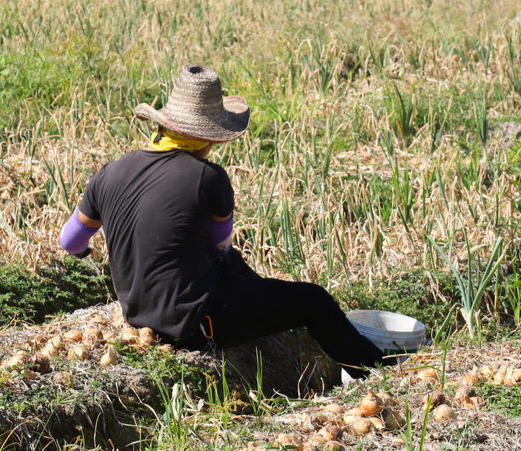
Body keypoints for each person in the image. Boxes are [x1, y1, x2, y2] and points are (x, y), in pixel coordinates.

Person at [58, 64, 385, 378]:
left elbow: (70, 241)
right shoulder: (208, 178)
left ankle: (270, 301)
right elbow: (220, 249)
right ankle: (376, 371)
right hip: (194, 325)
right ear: (208, 136)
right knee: (315, 300)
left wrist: (92, 255)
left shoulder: (109, 173)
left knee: (237, 272)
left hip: (139, 316)